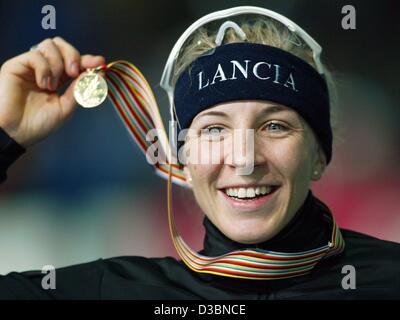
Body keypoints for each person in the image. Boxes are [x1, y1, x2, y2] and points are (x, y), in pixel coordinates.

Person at [0, 7, 399, 300]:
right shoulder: (114, 291)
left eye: (274, 126)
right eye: (213, 129)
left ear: (319, 155)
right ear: (183, 161)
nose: (244, 159)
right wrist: (6, 135)